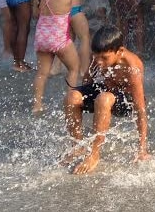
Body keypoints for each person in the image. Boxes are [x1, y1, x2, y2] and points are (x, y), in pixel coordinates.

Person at [32, 0, 119, 116]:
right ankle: (70, 101)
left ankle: (37, 105)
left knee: (41, 73)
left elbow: (35, 16)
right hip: (59, 39)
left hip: (42, 38)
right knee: (74, 68)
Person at [62, 27, 150, 175]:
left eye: (104, 58)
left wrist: (142, 149)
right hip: (105, 91)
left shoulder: (132, 68)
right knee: (72, 96)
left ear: (120, 51)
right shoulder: (97, 56)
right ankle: (77, 147)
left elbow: (140, 110)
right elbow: (87, 81)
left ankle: (94, 154)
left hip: (125, 102)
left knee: (103, 98)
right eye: (96, 57)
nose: (99, 62)